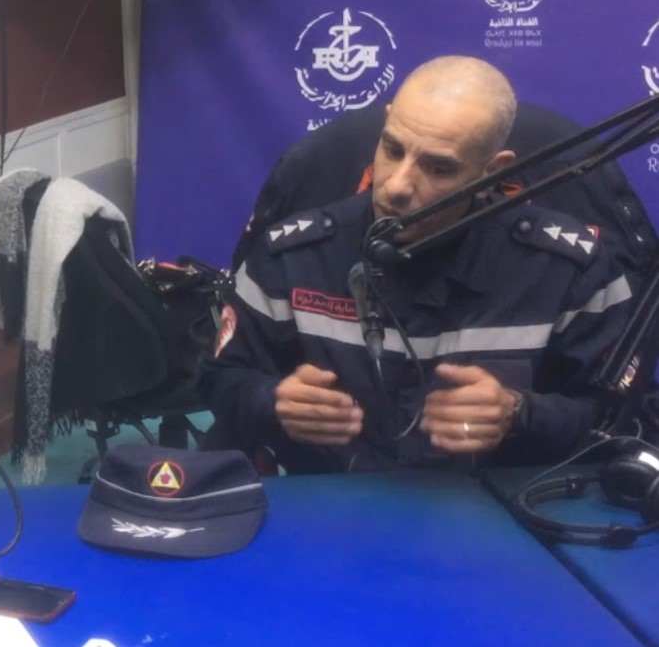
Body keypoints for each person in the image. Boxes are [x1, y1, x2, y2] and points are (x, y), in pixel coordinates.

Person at [201, 56, 635, 474]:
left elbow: (625, 420)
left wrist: (520, 412)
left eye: (439, 168)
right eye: (392, 148)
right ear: (386, 122)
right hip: (333, 503)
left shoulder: (568, 269)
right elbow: (219, 381)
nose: (397, 185)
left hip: (495, 507)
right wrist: (273, 401)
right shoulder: (293, 255)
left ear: (494, 171)